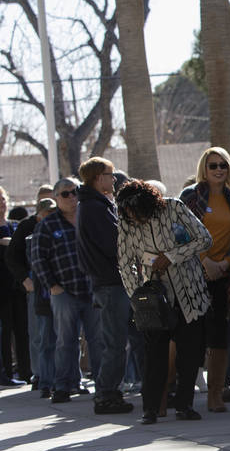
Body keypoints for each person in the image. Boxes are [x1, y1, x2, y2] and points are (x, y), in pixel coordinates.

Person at [116, 180, 213, 423]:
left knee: (189, 355)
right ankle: (150, 409)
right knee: (154, 356)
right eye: (127, 212)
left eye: (137, 210)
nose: (133, 216)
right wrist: (136, 297)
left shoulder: (174, 208)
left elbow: (203, 239)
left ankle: (185, 405)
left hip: (188, 293)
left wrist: (171, 257)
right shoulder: (127, 224)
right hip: (154, 300)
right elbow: (125, 262)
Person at [181, 147, 230, 413]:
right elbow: (179, 234)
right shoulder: (190, 197)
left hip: (224, 277)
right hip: (191, 277)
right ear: (203, 169)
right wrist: (203, 261)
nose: (219, 170)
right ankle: (180, 396)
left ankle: (215, 396)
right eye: (213, 166)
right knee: (190, 337)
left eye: (223, 165)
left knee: (220, 339)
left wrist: (223, 264)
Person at [30, 177, 104, 404]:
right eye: (65, 194)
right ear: (55, 198)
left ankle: (104, 385)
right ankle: (62, 386)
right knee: (65, 340)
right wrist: (52, 286)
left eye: (75, 192)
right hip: (64, 292)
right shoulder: (48, 225)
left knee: (97, 340)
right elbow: (38, 259)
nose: (71, 197)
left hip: (93, 289)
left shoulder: (89, 219)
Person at [75, 157, 135, 414]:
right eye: (111, 175)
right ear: (98, 177)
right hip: (110, 284)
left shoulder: (97, 204)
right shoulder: (94, 207)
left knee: (117, 341)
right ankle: (107, 394)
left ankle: (110, 391)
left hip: (109, 283)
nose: (115, 179)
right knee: (115, 343)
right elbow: (113, 245)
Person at [6, 189, 55, 396]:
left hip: (55, 284)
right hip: (34, 285)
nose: (51, 216)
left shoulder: (58, 223)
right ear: (39, 214)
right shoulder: (27, 227)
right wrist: (25, 280)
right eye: (47, 213)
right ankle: (39, 375)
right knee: (37, 334)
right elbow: (12, 256)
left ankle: (59, 374)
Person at [0, 186, 31, 386]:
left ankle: (27, 372)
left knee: (23, 329)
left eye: (2, 198)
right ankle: (5, 373)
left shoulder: (13, 226)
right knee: (4, 331)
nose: (1, 203)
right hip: (0, 288)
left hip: (18, 285)